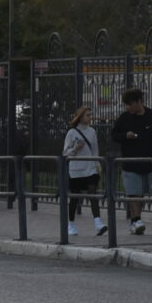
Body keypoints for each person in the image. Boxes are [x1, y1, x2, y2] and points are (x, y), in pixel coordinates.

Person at [109, 86, 152, 235]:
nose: (128, 107)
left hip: (149, 163)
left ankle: (142, 220)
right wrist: (124, 136)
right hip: (130, 162)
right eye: (126, 105)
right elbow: (114, 135)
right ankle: (136, 220)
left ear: (139, 102)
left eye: (130, 104)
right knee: (134, 193)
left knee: (150, 193)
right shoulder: (124, 118)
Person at [60, 102, 104, 239]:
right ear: (80, 117)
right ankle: (71, 224)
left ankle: (98, 223)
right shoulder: (72, 133)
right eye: (87, 115)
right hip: (76, 170)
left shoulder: (92, 132)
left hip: (90, 169)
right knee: (75, 197)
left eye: (90, 115)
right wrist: (75, 149)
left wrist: (97, 165)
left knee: (92, 193)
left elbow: (95, 150)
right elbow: (64, 153)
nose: (90, 117)